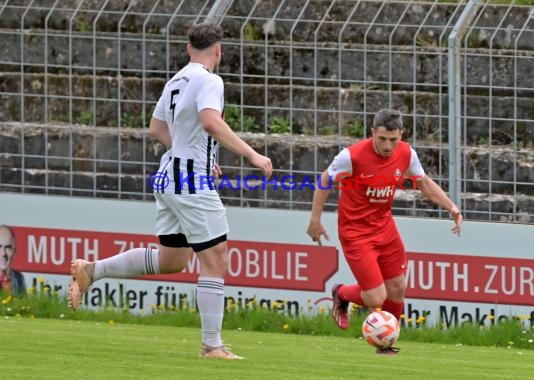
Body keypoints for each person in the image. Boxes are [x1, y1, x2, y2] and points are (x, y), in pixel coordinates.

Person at [67, 23, 272, 360]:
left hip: (169, 175)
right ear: (218, 50)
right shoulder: (210, 80)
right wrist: (251, 153)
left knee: (172, 260)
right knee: (216, 259)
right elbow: (210, 121)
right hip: (190, 181)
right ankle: (212, 347)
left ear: (189, 49)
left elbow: (156, 128)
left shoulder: (177, 79)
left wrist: (195, 154)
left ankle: (93, 270)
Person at [306, 109, 462, 355]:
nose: (388, 146)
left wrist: (450, 206)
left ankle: (387, 343)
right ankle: (341, 293)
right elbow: (325, 179)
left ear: (401, 134)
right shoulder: (352, 156)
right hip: (355, 232)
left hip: (385, 228)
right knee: (376, 297)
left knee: (397, 288)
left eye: (393, 139)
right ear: (372, 133)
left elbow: (423, 182)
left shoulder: (407, 153)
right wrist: (315, 220)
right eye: (382, 139)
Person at [0, 225, 26, 296]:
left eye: (8, 247)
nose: (3, 253)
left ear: (14, 251)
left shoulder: (19, 278)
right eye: (0, 247)